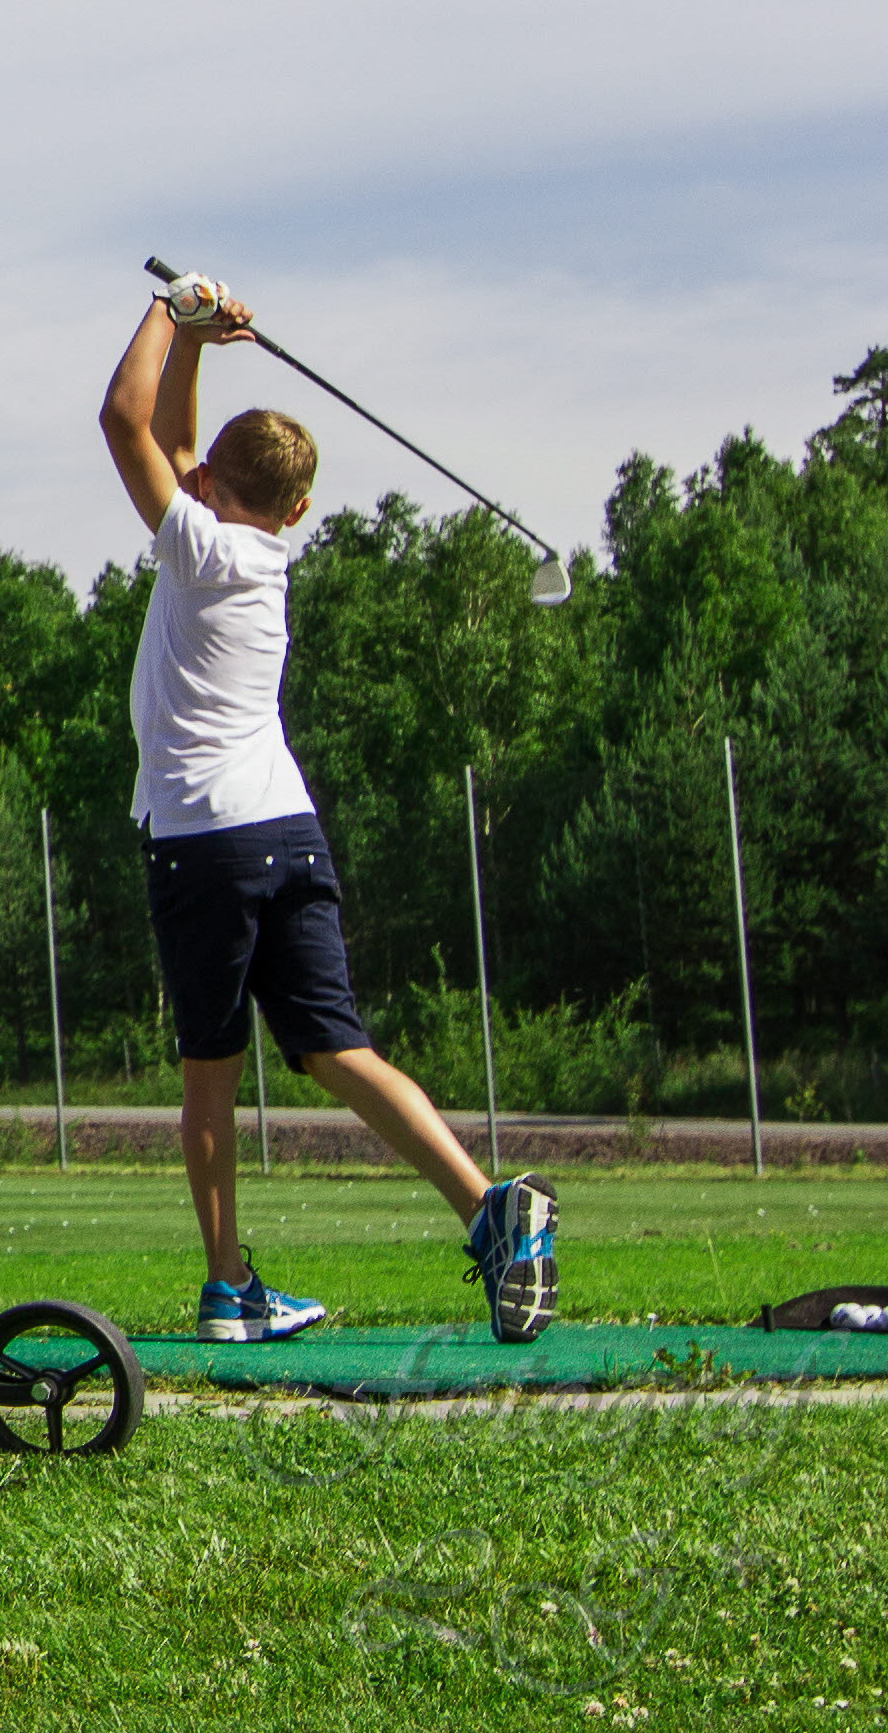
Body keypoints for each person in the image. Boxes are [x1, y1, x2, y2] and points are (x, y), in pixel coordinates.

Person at [101, 284, 553, 1344]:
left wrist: (169, 311)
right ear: (299, 509)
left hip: (204, 844)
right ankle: (489, 1207)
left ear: (211, 481)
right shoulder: (259, 552)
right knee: (334, 1047)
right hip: (290, 832)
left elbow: (127, 424)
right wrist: (205, 346)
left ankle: (227, 1289)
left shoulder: (200, 548)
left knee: (209, 1078)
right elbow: (169, 432)